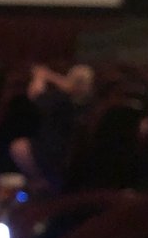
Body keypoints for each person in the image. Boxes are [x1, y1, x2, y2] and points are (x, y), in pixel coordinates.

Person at [9, 63, 94, 193]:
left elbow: (35, 95)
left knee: (19, 147)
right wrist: (49, 75)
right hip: (73, 155)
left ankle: (43, 183)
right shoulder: (90, 102)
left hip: (55, 154)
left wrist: (40, 77)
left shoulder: (61, 100)